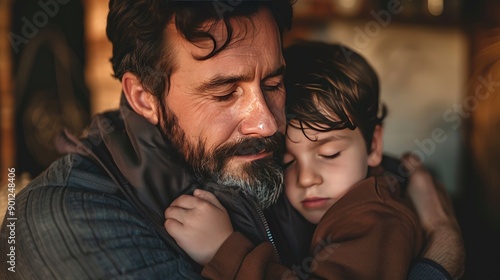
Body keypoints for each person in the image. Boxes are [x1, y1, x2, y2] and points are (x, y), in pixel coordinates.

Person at [0, 1, 463, 279]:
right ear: (144, 97)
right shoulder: (59, 222)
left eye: (274, 84)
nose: (266, 123)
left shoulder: (260, 160)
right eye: (225, 92)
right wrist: (440, 255)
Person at [164, 41, 424, 279]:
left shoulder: (379, 219)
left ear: (374, 145)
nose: (307, 178)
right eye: (287, 161)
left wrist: (224, 250)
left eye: (329, 154)